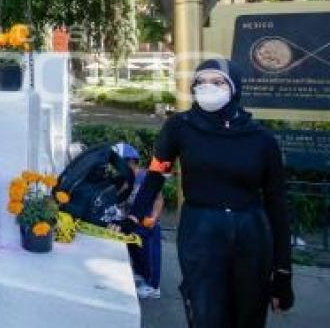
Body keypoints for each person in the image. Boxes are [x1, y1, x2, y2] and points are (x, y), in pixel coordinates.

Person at [121, 59, 294, 327]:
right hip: (201, 233)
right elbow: (156, 174)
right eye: (200, 82)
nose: (207, 88)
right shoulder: (180, 127)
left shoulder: (262, 139)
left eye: (217, 82)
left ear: (234, 87)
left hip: (252, 235)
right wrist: (133, 217)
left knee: (248, 316)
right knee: (205, 314)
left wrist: (283, 271)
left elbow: (277, 204)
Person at [112, 143, 163, 300]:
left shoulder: (146, 177)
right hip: (131, 223)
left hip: (147, 222)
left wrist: (154, 217)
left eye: (119, 162)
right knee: (135, 250)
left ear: (131, 162)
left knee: (150, 253)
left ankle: (153, 286)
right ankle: (140, 274)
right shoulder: (122, 179)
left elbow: (159, 199)